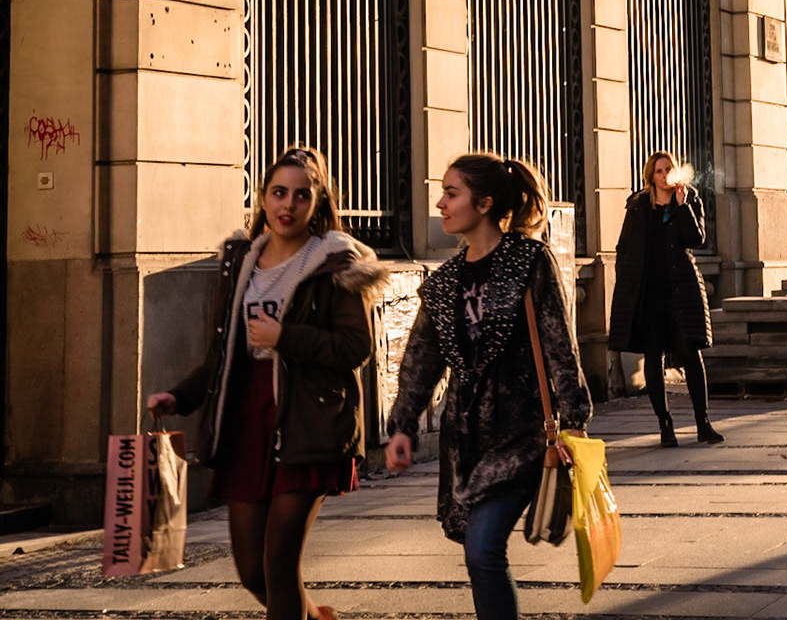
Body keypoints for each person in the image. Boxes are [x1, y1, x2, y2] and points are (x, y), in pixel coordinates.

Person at [147, 147, 386, 620]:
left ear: (318, 202)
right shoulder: (241, 261)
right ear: (262, 197)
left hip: (310, 420)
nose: (288, 205)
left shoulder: (335, 262)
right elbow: (222, 353)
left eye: (301, 195)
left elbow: (355, 347)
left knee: (279, 563)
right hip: (246, 421)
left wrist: (285, 337)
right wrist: (179, 395)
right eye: (279, 193)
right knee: (252, 571)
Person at [385, 154, 591, 620]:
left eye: (451, 193)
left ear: (484, 203)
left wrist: (574, 421)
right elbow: (421, 361)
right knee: (479, 554)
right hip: (466, 440)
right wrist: (403, 427)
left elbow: (558, 343)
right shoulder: (443, 285)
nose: (440, 203)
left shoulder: (528, 261)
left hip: (522, 433)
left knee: (482, 550)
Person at [608, 151, 722, 447]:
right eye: (658, 171)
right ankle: (665, 425)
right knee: (653, 356)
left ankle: (703, 423)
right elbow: (624, 247)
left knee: (691, 353)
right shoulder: (638, 205)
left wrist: (682, 206)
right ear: (651, 176)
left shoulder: (689, 198)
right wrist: (627, 284)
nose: (664, 175)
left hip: (681, 289)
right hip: (649, 292)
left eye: (668, 169)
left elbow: (696, 239)